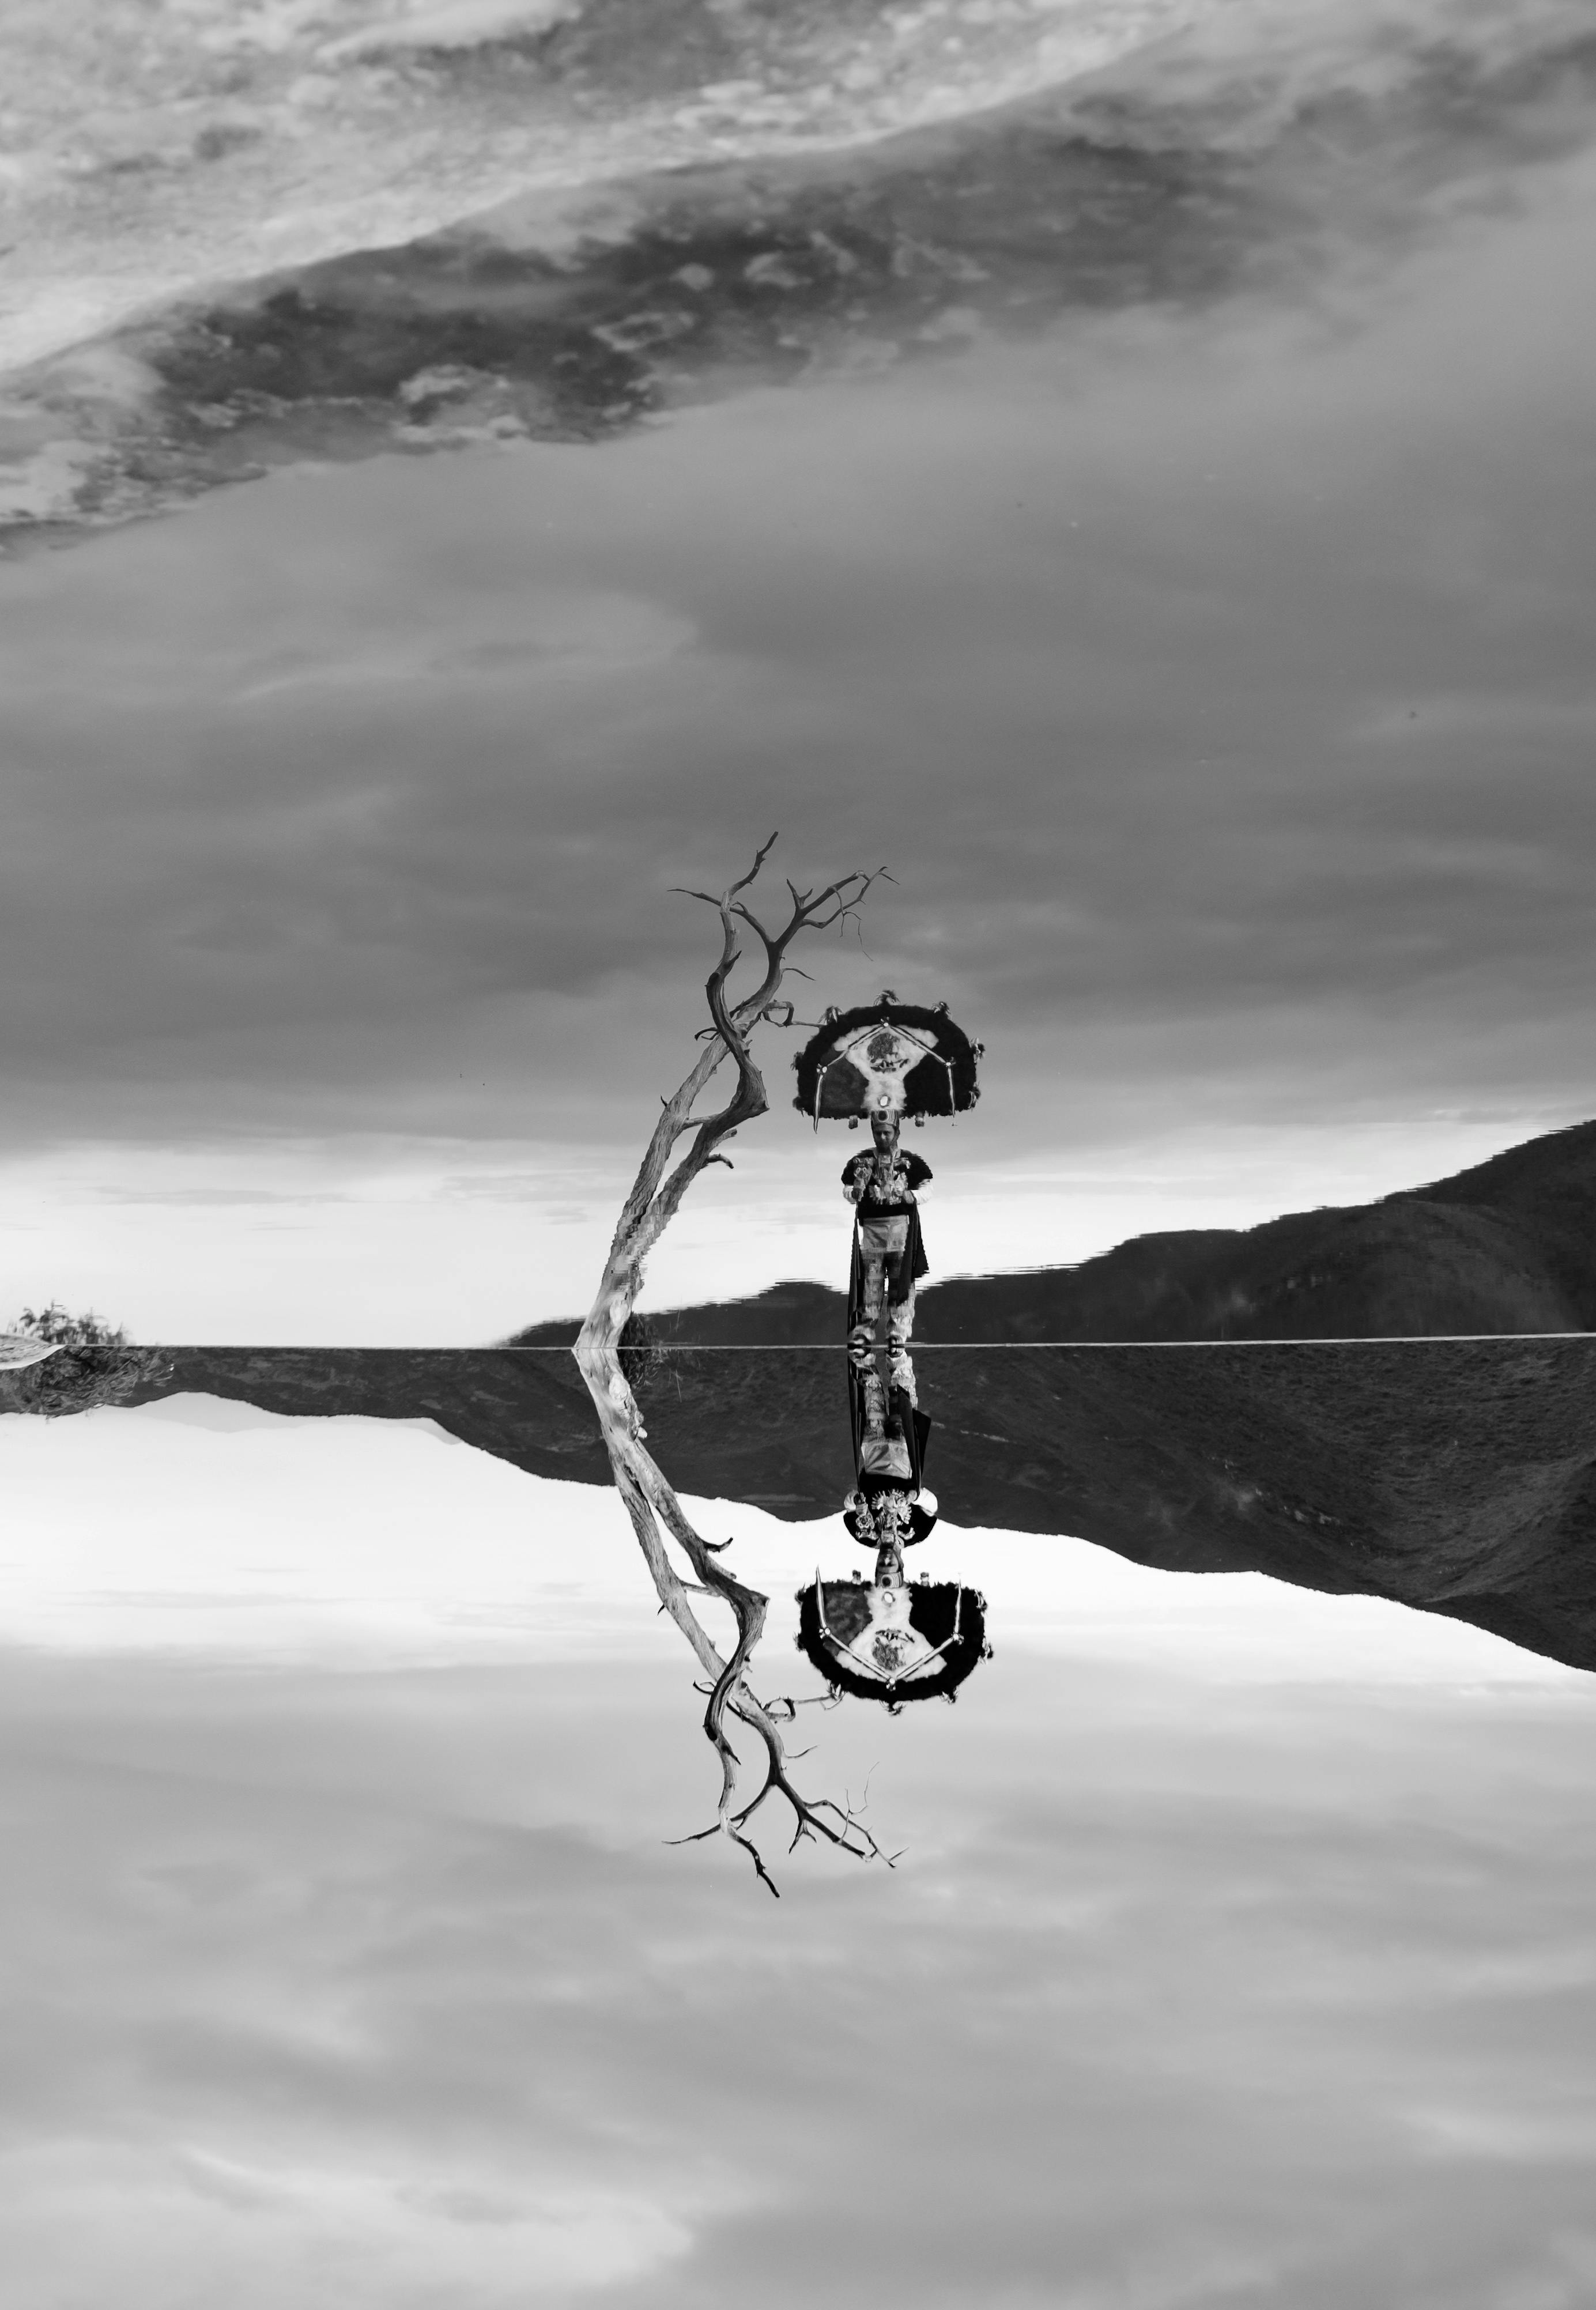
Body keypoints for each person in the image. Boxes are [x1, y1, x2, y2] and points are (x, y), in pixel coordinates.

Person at [843, 1108, 931, 1354]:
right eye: (878, 1132)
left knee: (900, 1287)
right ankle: (863, 1337)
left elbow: (927, 1188)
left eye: (886, 1132)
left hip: (901, 1232)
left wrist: (910, 1195)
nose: (882, 1137)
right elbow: (848, 1188)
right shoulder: (861, 1161)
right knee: (870, 1287)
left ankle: (897, 1338)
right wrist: (855, 1193)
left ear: (897, 1132)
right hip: (872, 1234)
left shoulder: (911, 1161)